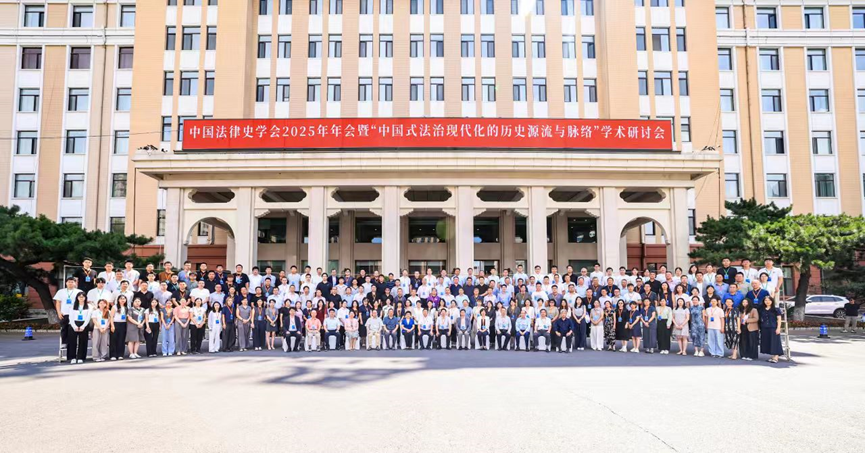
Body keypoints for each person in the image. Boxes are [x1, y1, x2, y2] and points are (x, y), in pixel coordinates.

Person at [54, 277, 83, 354]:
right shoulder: (61, 292)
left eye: (72, 282)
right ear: (66, 283)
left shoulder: (79, 291)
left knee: (75, 328)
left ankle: (75, 343)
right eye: (69, 282)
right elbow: (58, 303)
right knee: (64, 328)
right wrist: (59, 312)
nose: (70, 283)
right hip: (64, 313)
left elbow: (82, 302)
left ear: (75, 283)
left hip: (75, 313)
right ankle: (64, 342)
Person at [67, 293, 91, 364]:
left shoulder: (89, 306)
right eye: (80, 297)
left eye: (83, 297)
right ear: (77, 298)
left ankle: (81, 357)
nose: (81, 298)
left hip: (84, 323)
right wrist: (74, 326)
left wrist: (83, 326)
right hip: (73, 323)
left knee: (83, 341)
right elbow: (71, 317)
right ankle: (73, 357)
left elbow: (88, 317)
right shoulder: (73, 306)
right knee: (72, 341)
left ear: (85, 298)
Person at [759, 296, 784, 363]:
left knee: (775, 342)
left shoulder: (776, 309)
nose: (767, 302)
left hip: (773, 327)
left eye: (769, 300)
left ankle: (776, 357)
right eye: (766, 300)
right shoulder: (762, 309)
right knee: (768, 342)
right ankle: (773, 356)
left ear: (772, 301)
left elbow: (779, 319)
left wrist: (778, 328)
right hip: (764, 328)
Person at [110, 295, 129, 360]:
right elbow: (111, 317)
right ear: (118, 300)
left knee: (121, 339)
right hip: (115, 323)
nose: (122, 300)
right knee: (113, 339)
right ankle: (113, 355)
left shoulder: (126, 307)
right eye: (121, 299)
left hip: (123, 324)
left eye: (124, 299)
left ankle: (120, 354)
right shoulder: (114, 307)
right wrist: (112, 325)